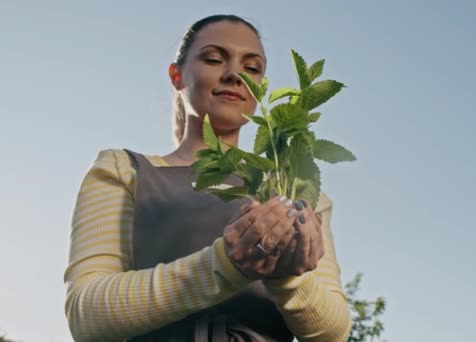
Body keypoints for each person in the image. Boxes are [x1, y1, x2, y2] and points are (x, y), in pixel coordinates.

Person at [64, 14, 351, 341]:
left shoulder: (298, 190)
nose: (234, 75)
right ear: (176, 75)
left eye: (253, 68)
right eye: (214, 59)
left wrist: (288, 277)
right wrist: (226, 264)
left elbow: (334, 333)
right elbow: (85, 315)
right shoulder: (123, 170)